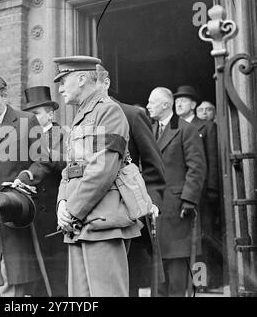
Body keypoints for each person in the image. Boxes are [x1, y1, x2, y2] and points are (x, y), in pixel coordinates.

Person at [54, 56, 143, 297]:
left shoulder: (109, 111)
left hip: (103, 223)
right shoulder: (81, 116)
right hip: (80, 224)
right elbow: (69, 169)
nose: (60, 88)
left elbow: (103, 169)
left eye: (63, 80)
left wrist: (71, 209)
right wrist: (62, 202)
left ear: (82, 78)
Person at [0, 73, 53, 297]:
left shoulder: (26, 121)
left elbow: (42, 161)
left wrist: (25, 177)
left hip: (16, 210)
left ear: (5, 96)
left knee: (15, 280)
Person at [96, 64, 166, 296]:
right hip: (93, 218)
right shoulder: (80, 121)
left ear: (105, 84)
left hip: (128, 216)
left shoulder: (132, 115)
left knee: (128, 283)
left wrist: (151, 201)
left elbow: (154, 165)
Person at [146, 87, 206, 296]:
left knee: (178, 268)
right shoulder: (150, 130)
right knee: (159, 268)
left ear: (165, 104)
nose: (147, 106)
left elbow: (196, 168)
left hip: (177, 209)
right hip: (156, 207)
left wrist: (189, 201)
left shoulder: (185, 129)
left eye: (151, 102)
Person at [22, 86, 68, 297]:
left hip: (56, 213)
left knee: (58, 273)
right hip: (30, 216)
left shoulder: (64, 135)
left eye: (37, 113)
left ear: (50, 113)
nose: (32, 117)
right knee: (34, 278)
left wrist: (48, 154)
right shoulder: (23, 138)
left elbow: (70, 167)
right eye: (29, 114)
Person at [174, 85, 221, 289]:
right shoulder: (173, 127)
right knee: (182, 238)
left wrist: (212, 189)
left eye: (183, 101)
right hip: (180, 192)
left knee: (203, 236)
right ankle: (183, 282)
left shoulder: (207, 126)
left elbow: (211, 158)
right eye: (176, 101)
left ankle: (200, 282)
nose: (178, 104)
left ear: (194, 105)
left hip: (201, 193)